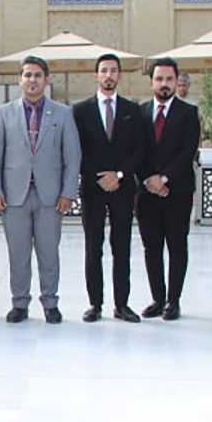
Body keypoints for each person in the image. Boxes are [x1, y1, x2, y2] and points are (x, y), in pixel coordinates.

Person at [0, 55, 82, 323]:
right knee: (18, 254)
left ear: (46, 80)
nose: (32, 80)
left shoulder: (62, 113)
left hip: (50, 197)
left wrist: (68, 193)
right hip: (13, 196)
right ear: (20, 80)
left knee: (49, 253)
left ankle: (50, 303)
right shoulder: (4, 113)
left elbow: (72, 157)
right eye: (27, 75)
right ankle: (20, 303)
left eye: (37, 75)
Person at [73, 53, 146, 322]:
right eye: (104, 71)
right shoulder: (80, 111)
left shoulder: (132, 110)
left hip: (123, 189)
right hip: (92, 189)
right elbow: (76, 150)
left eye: (113, 71)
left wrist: (119, 174)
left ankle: (122, 304)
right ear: (96, 75)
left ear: (120, 76)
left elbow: (139, 149)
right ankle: (95, 304)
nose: (109, 75)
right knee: (94, 247)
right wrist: (98, 177)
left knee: (122, 247)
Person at [136, 57, 200, 320]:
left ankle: (174, 301)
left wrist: (163, 179)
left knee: (176, 245)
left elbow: (188, 151)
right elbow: (135, 151)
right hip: (146, 192)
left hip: (178, 190)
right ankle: (158, 299)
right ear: (151, 81)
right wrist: (149, 179)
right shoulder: (139, 112)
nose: (164, 83)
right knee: (151, 247)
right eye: (159, 78)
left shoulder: (188, 113)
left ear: (176, 82)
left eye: (169, 79)